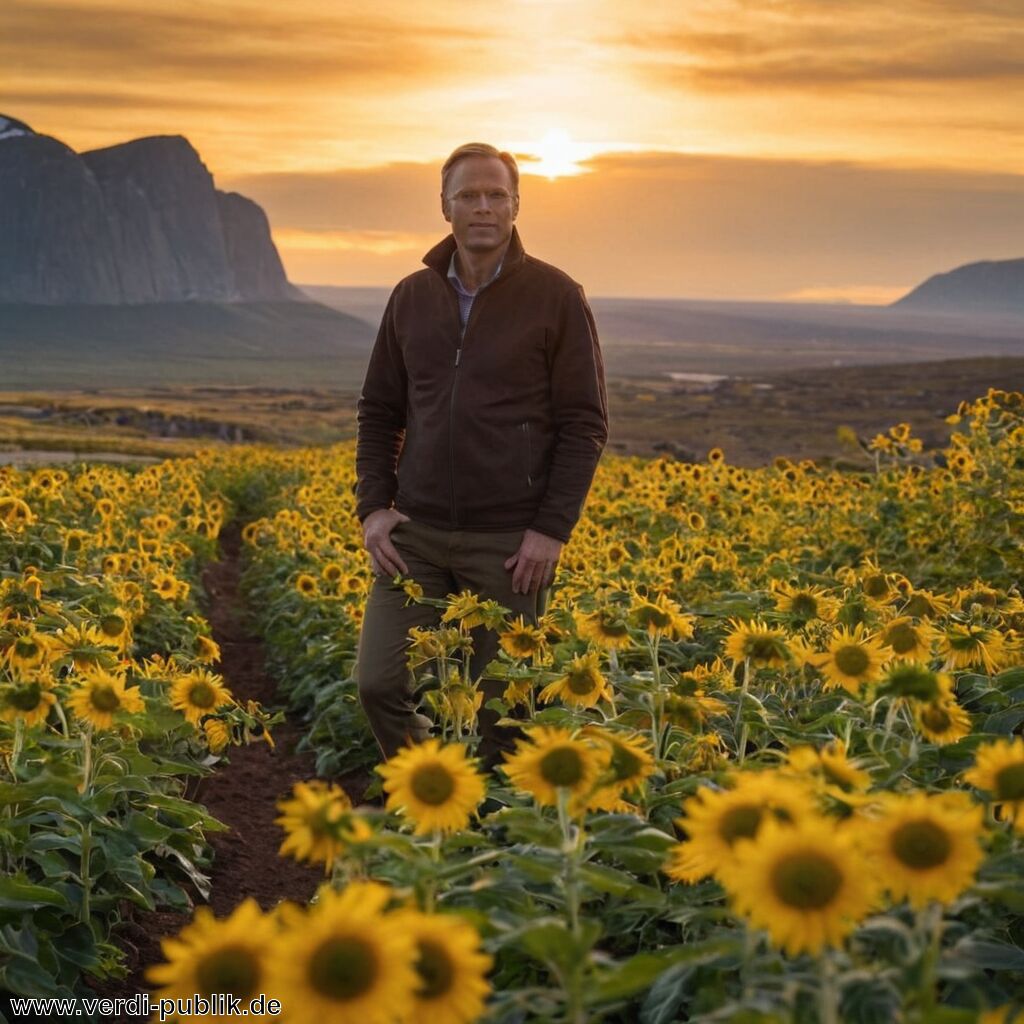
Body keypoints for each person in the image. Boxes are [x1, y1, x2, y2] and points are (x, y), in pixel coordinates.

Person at [354, 141, 608, 768]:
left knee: (505, 715)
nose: (483, 207)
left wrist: (550, 530)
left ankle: (491, 823)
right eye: (468, 195)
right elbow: (379, 410)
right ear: (445, 207)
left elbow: (584, 424)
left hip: (509, 546)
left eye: (497, 195)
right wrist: (373, 508)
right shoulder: (411, 297)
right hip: (415, 535)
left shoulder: (556, 296)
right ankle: (431, 790)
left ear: (517, 205)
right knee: (379, 683)